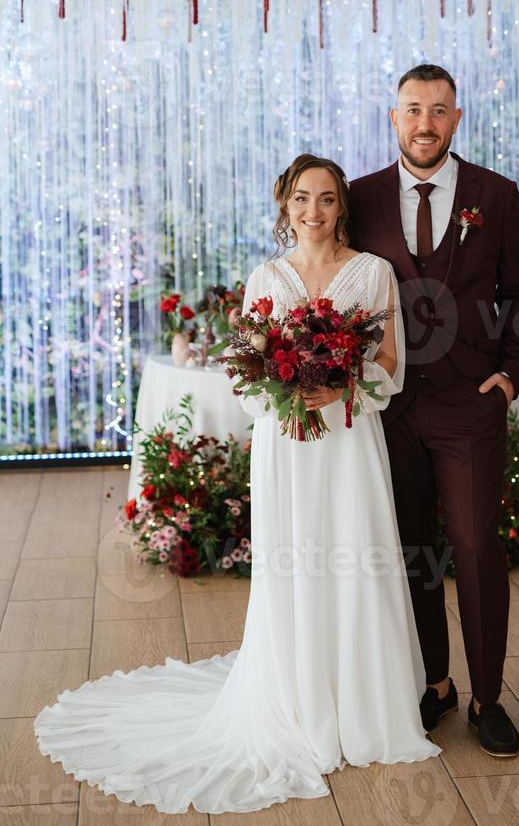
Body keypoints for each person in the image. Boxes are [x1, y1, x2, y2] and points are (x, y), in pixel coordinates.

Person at [33, 152, 440, 816]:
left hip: (349, 440)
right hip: (289, 447)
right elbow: (246, 372)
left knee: (354, 560)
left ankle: (366, 708)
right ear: (285, 205)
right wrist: (286, 391)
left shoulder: (372, 273)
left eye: (328, 199)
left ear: (343, 207)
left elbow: (391, 366)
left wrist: (341, 385)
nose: (314, 211)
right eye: (303, 199)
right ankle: (296, 701)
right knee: (296, 568)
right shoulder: (267, 277)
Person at [348, 64, 519, 758]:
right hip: (390, 407)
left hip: (469, 404)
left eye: (438, 111)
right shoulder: (360, 197)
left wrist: (511, 375)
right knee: (414, 553)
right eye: (411, 110)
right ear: (392, 117)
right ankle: (435, 685)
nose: (424, 123)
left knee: (478, 547)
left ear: (456, 118)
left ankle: (488, 697)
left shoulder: (496, 194)